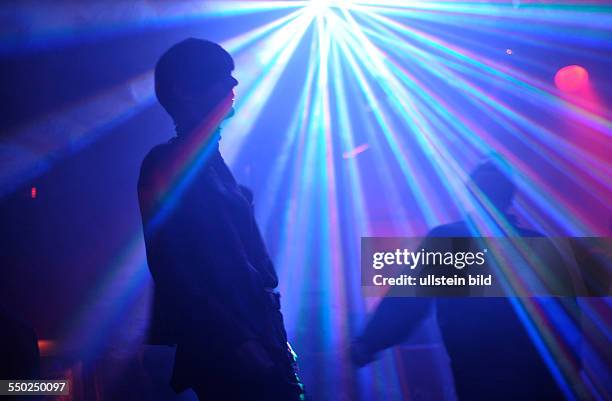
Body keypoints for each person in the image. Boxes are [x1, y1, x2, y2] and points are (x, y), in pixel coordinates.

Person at [137, 38, 305, 401]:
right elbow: (174, 265)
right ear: (185, 91)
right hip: (231, 344)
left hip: (254, 337)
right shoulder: (168, 164)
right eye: (220, 76)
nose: (234, 85)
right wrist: (238, 340)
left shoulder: (211, 166)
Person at [352, 160, 578, 401]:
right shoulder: (538, 246)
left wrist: (369, 343)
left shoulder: (449, 240)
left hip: (478, 379)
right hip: (538, 382)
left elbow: (406, 303)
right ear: (511, 196)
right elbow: (566, 319)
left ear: (471, 192)